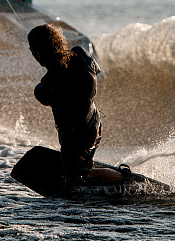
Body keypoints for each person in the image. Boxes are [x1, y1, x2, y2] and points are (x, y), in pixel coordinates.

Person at [27, 24, 123, 185]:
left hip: (78, 135)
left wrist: (41, 88)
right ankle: (84, 166)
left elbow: (44, 96)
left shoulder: (53, 81)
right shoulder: (80, 55)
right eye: (31, 49)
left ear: (43, 49)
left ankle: (123, 177)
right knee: (73, 169)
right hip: (93, 123)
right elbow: (95, 70)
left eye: (34, 49)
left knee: (76, 175)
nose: (33, 53)